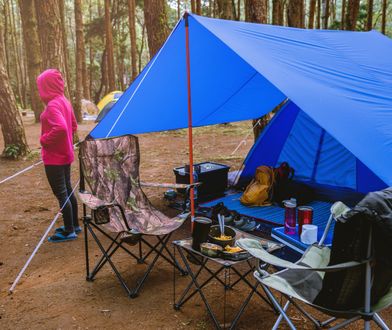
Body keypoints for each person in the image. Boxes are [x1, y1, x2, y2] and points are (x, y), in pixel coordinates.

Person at [37, 69, 80, 242]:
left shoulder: (54, 104)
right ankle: (74, 225)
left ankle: (69, 230)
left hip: (54, 158)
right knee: (67, 190)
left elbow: (61, 128)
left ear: (46, 86)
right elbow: (74, 126)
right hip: (65, 155)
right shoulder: (64, 101)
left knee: (62, 193)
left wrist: (44, 140)